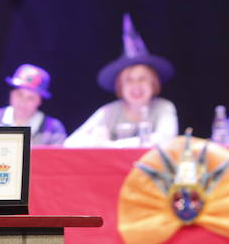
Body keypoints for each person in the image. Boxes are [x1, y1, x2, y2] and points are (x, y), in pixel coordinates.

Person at [65, 14, 178, 148]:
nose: (136, 85)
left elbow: (167, 139)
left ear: (153, 84)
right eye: (129, 80)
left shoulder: (163, 107)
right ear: (120, 86)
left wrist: (113, 145)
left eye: (142, 79)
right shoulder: (109, 111)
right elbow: (70, 143)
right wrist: (93, 140)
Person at [0, 64, 66, 145]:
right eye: (19, 94)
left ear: (39, 101)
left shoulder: (53, 129)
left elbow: (58, 159)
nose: (23, 102)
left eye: (31, 98)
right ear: (11, 94)